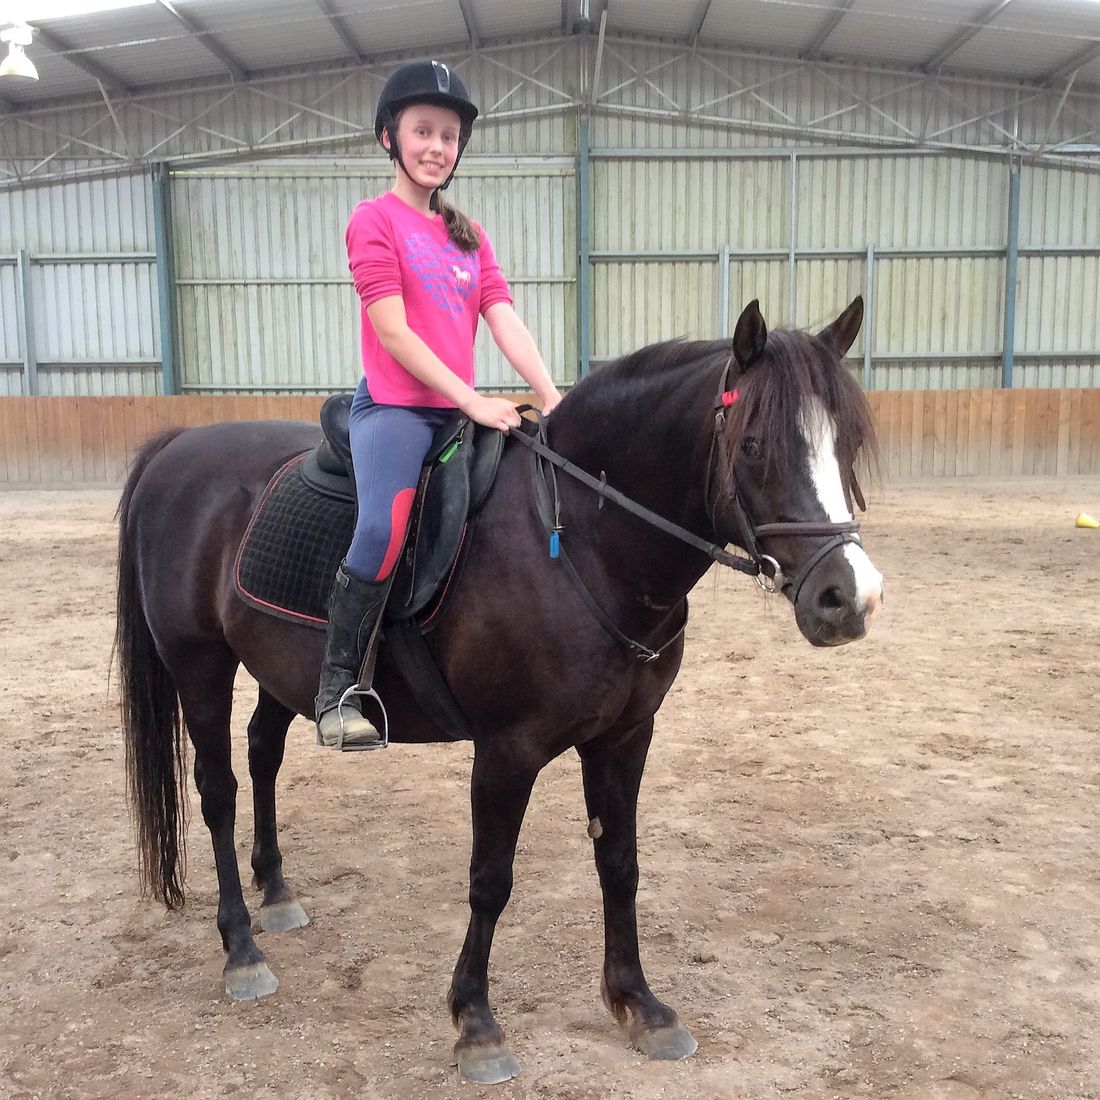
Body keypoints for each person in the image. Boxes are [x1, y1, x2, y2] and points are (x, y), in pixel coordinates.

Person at [316, 58, 562, 749]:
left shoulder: (468, 235)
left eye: (449, 136)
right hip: (395, 411)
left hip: (459, 412)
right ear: (390, 137)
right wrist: (473, 399)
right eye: (423, 131)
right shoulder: (373, 221)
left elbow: (503, 317)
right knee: (382, 528)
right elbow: (392, 331)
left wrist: (550, 394)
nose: (436, 147)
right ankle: (337, 691)